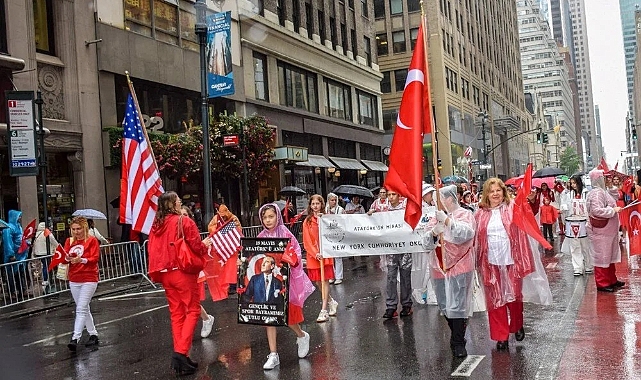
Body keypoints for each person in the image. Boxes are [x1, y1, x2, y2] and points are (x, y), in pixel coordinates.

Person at [148, 191, 212, 375]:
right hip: (182, 270)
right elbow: (196, 245)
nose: (179, 203)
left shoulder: (157, 225)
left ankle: (182, 355)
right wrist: (205, 244)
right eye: (178, 200)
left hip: (165, 272)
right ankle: (180, 353)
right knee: (192, 310)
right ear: (173, 204)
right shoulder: (183, 221)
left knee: (176, 313)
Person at [474, 178, 537, 350]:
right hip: (490, 263)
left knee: (514, 296)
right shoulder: (479, 214)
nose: (495, 194)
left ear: (503, 192)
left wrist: (530, 200)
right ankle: (501, 335)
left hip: (511, 261)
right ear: (486, 194)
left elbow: (528, 220)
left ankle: (516, 325)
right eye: (491, 191)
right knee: (495, 300)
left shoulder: (512, 209)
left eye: (498, 190)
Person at [256, 203, 314, 370]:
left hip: (284, 283)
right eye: (265, 217)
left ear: (277, 217)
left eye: (271, 216)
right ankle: (273, 354)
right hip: (267, 283)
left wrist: (290, 260)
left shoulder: (285, 233)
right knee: (269, 317)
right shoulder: (260, 237)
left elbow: (295, 253)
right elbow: (254, 257)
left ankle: (301, 335)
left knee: (287, 316)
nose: (268, 220)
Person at [423, 185, 476, 357]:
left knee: (458, 305)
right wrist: (433, 232)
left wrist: (447, 222)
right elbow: (425, 244)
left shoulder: (465, 215)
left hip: (460, 267)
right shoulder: (434, 218)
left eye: (440, 199)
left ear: (450, 199)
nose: (436, 202)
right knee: (446, 306)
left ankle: (458, 342)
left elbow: (465, 234)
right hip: (439, 268)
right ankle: (457, 333)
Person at [65, 216, 101, 352]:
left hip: (89, 278)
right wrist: (66, 258)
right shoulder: (69, 241)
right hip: (74, 278)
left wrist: (82, 260)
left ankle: (75, 337)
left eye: (79, 228)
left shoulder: (92, 241)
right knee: (84, 308)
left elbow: (95, 258)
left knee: (80, 308)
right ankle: (93, 333)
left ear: (84, 228)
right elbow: (65, 257)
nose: (76, 232)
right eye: (73, 229)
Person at [586, 169, 625, 292]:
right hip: (601, 232)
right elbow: (596, 211)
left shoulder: (602, 191)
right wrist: (612, 211)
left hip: (607, 231)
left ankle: (611, 279)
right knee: (602, 256)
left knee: (610, 255)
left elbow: (615, 196)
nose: (608, 179)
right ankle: (602, 283)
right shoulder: (597, 193)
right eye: (605, 178)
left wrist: (610, 187)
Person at [181, 206, 215, 339]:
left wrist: (203, 244)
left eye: (186, 214)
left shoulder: (192, 232)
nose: (183, 217)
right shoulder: (175, 232)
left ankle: (206, 319)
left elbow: (198, 249)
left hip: (193, 270)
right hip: (181, 271)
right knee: (184, 300)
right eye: (180, 215)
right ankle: (202, 320)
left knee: (192, 301)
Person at [303, 194, 338, 323]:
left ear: (322, 205)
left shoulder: (327, 218)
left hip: (326, 254)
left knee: (325, 281)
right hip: (314, 256)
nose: (315, 206)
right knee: (318, 282)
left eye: (317, 203)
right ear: (310, 206)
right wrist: (315, 253)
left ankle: (323, 310)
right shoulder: (307, 221)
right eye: (313, 204)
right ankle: (330, 301)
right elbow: (307, 240)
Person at [381, 191, 413, 319]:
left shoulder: (405, 209)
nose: (391, 197)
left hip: (405, 247)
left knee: (405, 276)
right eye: (389, 195)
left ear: (399, 196)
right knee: (391, 277)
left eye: (393, 194)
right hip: (391, 249)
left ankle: (406, 304)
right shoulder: (383, 210)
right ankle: (391, 307)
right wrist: (370, 216)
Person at [560, 174, 593, 276]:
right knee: (574, 247)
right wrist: (564, 208)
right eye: (571, 183)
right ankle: (577, 267)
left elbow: (590, 207)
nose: (573, 185)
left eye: (575, 183)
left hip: (584, 222)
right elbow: (564, 206)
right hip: (572, 222)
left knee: (586, 246)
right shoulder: (568, 194)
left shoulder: (586, 193)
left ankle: (589, 265)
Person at [412, 182, 436, 305]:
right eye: (429, 194)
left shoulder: (431, 206)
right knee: (421, 269)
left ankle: (431, 294)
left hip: (429, 242)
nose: (431, 196)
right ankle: (418, 291)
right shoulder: (416, 207)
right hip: (418, 243)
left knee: (430, 268)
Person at [2, 210, 28, 299]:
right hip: (13, 255)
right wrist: (11, 254)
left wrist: (26, 243)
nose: (20, 218)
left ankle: (22, 290)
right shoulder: (8, 228)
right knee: (11, 274)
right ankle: (12, 292)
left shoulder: (18, 226)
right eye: (18, 216)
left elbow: (22, 237)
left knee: (21, 273)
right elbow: (7, 242)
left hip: (21, 254)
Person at [32, 222, 60, 292]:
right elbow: (53, 241)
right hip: (46, 252)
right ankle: (46, 279)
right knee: (46, 266)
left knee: (43, 265)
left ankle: (45, 279)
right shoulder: (46, 232)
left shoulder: (37, 234)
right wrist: (59, 247)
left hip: (38, 253)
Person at [325, 193, 345, 285]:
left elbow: (344, 220)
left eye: (335, 200)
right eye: (332, 200)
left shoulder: (340, 209)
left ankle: (339, 276)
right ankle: (331, 276)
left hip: (338, 234)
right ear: (328, 200)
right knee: (330, 257)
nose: (334, 202)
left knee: (338, 256)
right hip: (328, 234)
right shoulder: (325, 209)